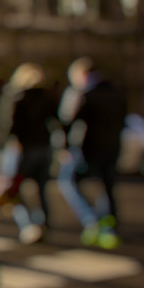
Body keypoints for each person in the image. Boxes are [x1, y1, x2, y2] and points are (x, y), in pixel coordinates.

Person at [56, 58, 127, 249]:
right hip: (112, 147)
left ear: (82, 76)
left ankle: (91, 220)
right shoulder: (115, 93)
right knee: (107, 187)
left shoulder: (83, 94)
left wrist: (64, 147)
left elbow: (68, 122)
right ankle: (108, 227)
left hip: (87, 149)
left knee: (66, 180)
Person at [0, 63, 59, 244]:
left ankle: (29, 225)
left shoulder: (15, 96)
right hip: (43, 147)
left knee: (14, 190)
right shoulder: (47, 97)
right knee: (41, 189)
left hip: (21, 149)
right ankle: (42, 223)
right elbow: (56, 122)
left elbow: (7, 125)